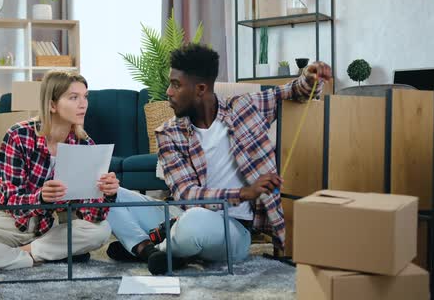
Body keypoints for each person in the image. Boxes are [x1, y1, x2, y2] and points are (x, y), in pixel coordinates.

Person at [106, 43, 332, 275]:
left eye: (176, 85)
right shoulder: (169, 132)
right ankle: (149, 250)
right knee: (105, 193)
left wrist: (311, 74)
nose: (168, 92)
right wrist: (244, 193)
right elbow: (186, 194)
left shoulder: (246, 108)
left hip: (231, 229)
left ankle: (153, 246)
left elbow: (295, 91)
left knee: (193, 225)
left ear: (200, 89)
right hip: (177, 214)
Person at [0, 71, 118, 271]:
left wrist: (107, 194)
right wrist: (41, 198)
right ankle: (40, 256)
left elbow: (91, 216)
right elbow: (11, 200)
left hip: (50, 227)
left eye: (85, 97)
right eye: (74, 97)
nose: (83, 104)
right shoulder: (19, 135)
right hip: (8, 223)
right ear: (52, 104)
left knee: (101, 231)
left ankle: (25, 253)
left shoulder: (84, 143)